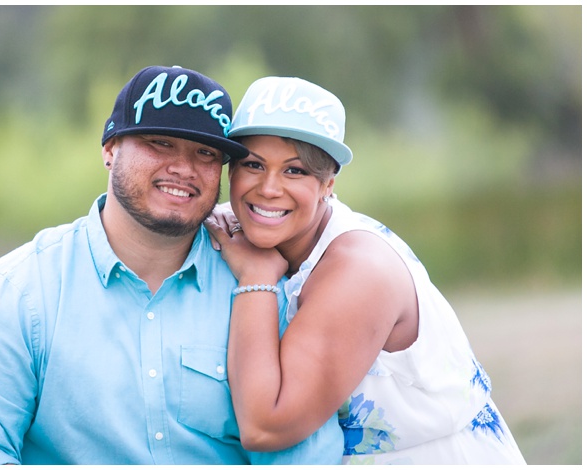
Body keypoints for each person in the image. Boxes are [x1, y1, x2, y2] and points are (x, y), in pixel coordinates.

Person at [0, 66, 344, 465]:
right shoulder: (19, 292)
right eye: (160, 143)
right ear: (110, 150)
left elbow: (305, 456)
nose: (183, 168)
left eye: (205, 153)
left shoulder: (263, 291)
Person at [204, 76, 527, 464]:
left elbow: (265, 425)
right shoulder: (250, 230)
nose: (269, 188)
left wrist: (255, 276)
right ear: (231, 173)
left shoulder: (358, 270)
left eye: (295, 171)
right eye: (253, 165)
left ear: (328, 183)